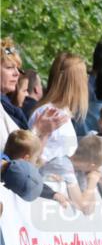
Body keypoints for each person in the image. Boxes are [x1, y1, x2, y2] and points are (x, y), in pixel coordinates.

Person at [30, 54, 89, 183]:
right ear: (76, 82)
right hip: (49, 188)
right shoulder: (50, 113)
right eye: (84, 76)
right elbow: (35, 159)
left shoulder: (62, 113)